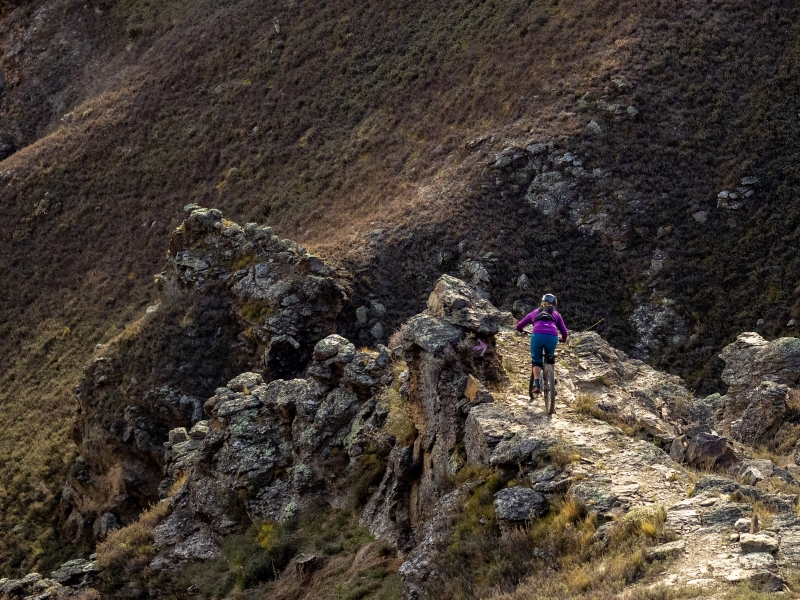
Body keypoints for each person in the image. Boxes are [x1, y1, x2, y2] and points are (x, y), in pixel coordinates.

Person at [515, 293, 569, 396]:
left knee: (536, 360)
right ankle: (551, 381)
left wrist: (520, 330)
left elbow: (519, 326)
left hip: (537, 336)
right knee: (550, 357)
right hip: (552, 337)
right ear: (554, 304)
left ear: (542, 303)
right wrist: (563, 339)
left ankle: (536, 385)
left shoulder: (535, 312)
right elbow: (565, 332)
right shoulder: (556, 314)